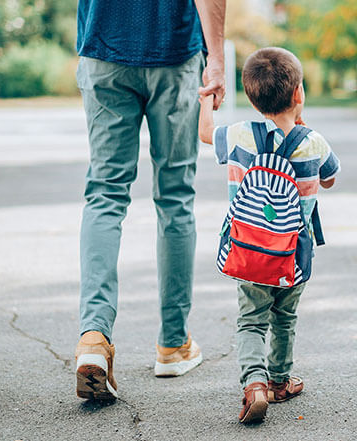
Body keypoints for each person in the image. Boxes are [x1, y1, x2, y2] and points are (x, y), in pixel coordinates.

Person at [73, 0, 226, 402]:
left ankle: (94, 337)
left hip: (103, 45)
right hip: (173, 52)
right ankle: (173, 345)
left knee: (105, 193)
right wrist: (218, 60)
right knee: (175, 198)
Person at [198, 47, 340, 423]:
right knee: (284, 317)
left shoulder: (239, 135)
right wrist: (301, 125)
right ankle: (279, 381)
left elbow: (204, 133)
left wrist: (208, 98)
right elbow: (329, 178)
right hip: (293, 255)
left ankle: (254, 385)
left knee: (251, 321)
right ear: (298, 94)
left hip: (248, 253)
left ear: (251, 96)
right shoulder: (314, 142)